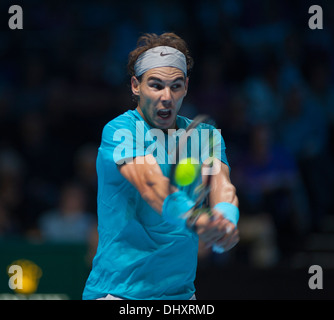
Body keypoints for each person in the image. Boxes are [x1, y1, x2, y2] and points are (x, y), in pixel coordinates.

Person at [83, 32, 239, 300]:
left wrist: (225, 219)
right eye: (156, 85)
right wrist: (197, 219)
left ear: (186, 86)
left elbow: (222, 185)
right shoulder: (121, 131)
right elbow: (151, 185)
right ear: (135, 85)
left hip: (181, 295)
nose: (167, 96)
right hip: (118, 294)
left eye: (176, 86)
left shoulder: (206, 136)